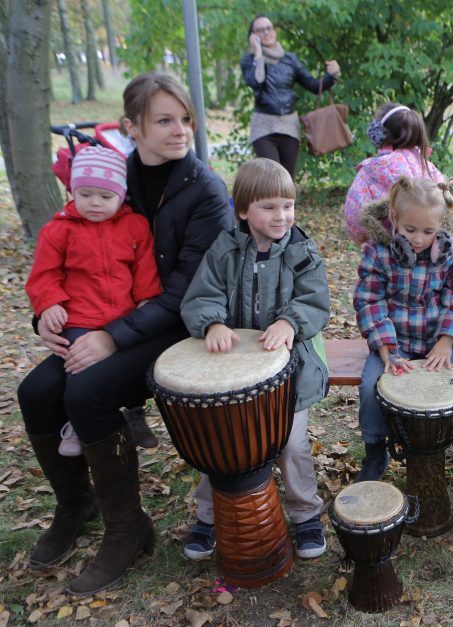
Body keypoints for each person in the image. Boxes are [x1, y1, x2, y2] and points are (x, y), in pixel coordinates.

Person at [17, 72, 232, 595]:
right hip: (105, 319)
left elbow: (186, 291)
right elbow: (66, 257)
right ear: (131, 127)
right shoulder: (110, 175)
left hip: (182, 327)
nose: (180, 130)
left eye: (184, 118)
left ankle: (128, 528)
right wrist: (52, 317)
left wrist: (112, 338)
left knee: (87, 391)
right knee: (37, 391)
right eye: (164, 120)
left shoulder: (205, 191)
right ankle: (76, 505)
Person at [179, 158, 330, 560]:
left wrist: (290, 322)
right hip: (233, 374)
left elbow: (315, 301)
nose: (281, 215)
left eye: (287, 205)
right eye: (269, 207)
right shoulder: (224, 250)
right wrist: (211, 323)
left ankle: (305, 514)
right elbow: (202, 294)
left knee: (292, 445)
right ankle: (209, 517)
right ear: (243, 210)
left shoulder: (301, 252)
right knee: (222, 444)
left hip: (290, 372)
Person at [353, 175, 453, 492]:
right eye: (409, 230)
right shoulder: (378, 254)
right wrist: (386, 349)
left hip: (438, 342)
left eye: (428, 231)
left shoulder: (452, 253)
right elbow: (370, 302)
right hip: (393, 343)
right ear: (394, 218)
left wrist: (446, 341)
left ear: (441, 225)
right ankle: (375, 452)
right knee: (369, 386)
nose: (418, 239)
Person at [25, 147, 162, 458]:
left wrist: (146, 301)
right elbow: (43, 274)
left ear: (121, 195)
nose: (95, 203)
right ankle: (76, 421)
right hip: (79, 318)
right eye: (85, 194)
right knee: (80, 363)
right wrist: (49, 303)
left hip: (122, 319)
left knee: (121, 367)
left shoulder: (135, 227)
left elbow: (144, 268)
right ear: (73, 191)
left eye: (105, 196)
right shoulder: (59, 230)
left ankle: (134, 413)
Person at [241, 14, 341, 179]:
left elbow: (314, 86)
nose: (266, 32)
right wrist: (258, 55)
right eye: (260, 30)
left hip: (288, 125)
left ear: (274, 31)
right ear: (253, 36)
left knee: (287, 180)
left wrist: (333, 74)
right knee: (271, 178)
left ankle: (288, 206)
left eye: (269, 28)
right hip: (263, 126)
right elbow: (256, 82)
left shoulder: (290, 60)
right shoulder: (249, 60)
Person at [344, 102, 445, 244]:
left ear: (378, 135)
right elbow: (443, 208)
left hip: (382, 257)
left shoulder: (369, 172)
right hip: (427, 253)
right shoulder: (430, 169)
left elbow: (355, 221)